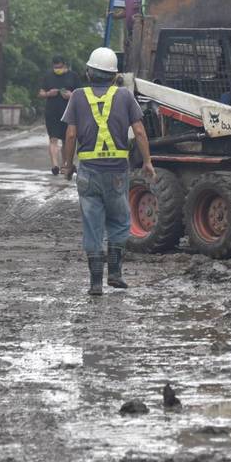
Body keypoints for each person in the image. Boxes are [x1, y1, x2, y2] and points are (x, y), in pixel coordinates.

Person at [62, 47, 156, 295]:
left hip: (88, 171)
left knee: (92, 224)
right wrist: (147, 161)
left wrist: (67, 164)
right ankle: (114, 273)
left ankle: (95, 282)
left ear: (88, 72)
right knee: (119, 221)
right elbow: (139, 132)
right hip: (116, 171)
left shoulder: (78, 97)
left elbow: (70, 134)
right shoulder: (125, 96)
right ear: (115, 76)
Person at [38, 56, 79, 175]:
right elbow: (40, 93)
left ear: (64, 65)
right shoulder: (48, 76)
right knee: (53, 139)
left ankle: (65, 165)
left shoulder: (73, 76)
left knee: (67, 140)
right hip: (52, 112)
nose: (57, 69)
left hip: (69, 112)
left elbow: (80, 93)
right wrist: (48, 93)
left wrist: (71, 95)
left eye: (59, 67)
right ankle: (55, 165)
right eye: (55, 67)